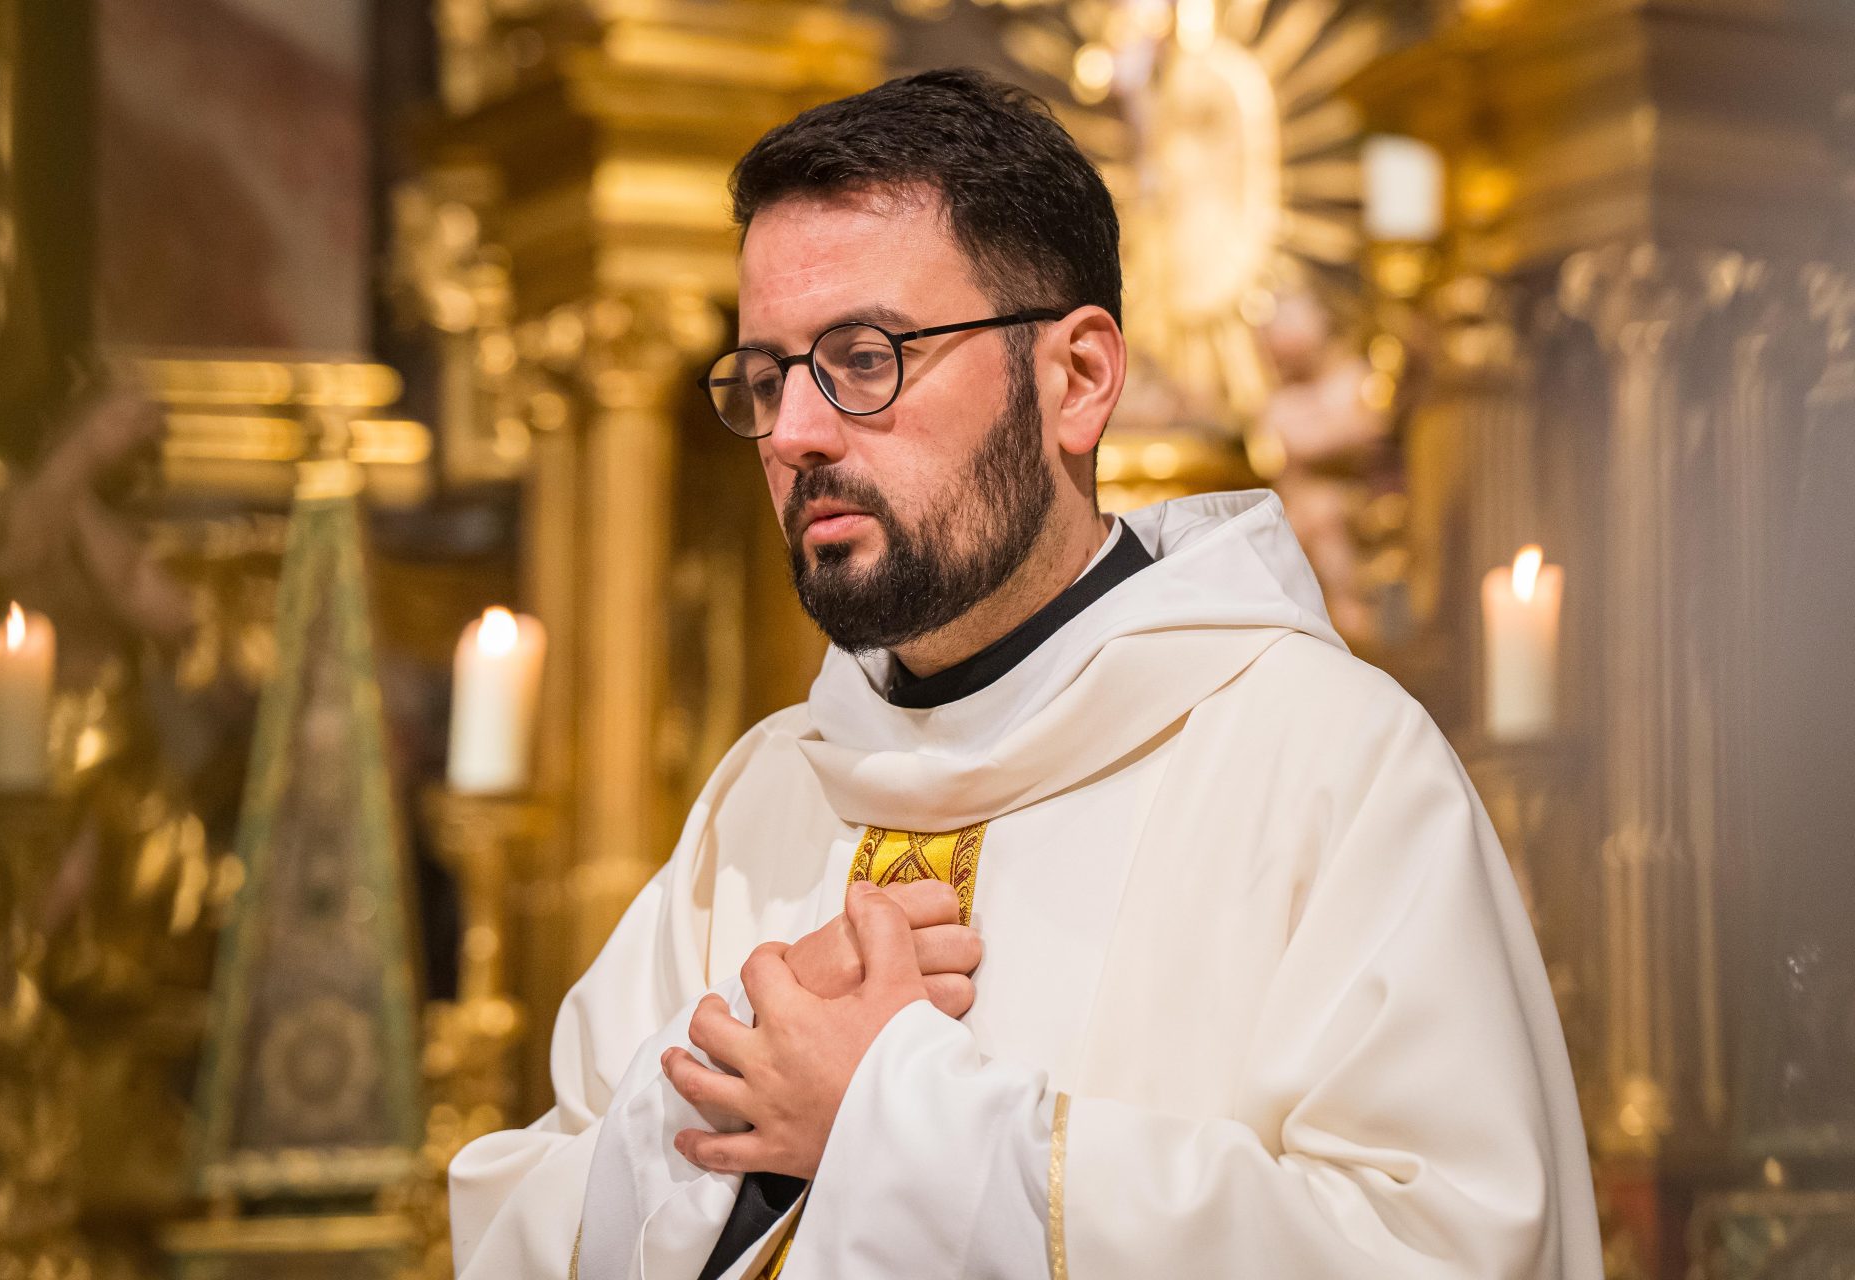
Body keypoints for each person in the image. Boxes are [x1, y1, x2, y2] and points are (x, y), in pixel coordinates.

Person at [448, 68, 1601, 1279]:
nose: (794, 433)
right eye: (769, 377)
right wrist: (732, 1119)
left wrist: (895, 1121)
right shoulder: (766, 799)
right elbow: (531, 1211)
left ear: (1077, 378)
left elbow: (1440, 1245)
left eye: (865, 357)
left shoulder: (1329, 763)